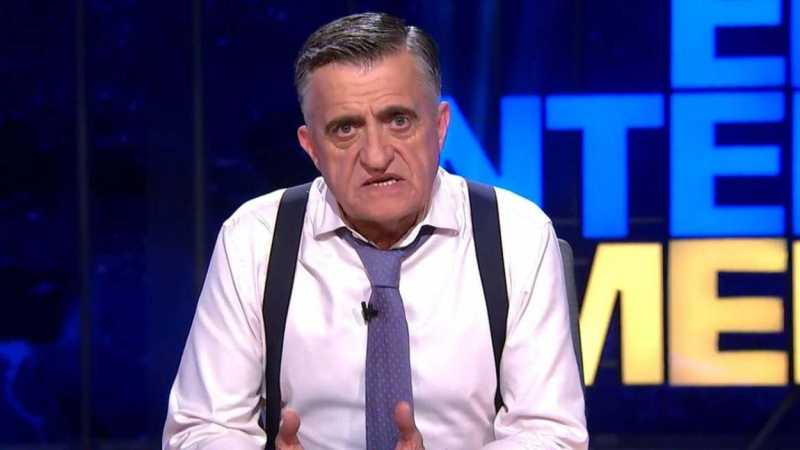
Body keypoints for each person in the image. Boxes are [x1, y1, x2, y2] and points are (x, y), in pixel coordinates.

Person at [163, 12, 588, 450]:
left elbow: (550, 433)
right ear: (311, 147)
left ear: (440, 126)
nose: (377, 155)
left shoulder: (516, 237)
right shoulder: (254, 240)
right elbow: (202, 428)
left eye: (398, 120)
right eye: (345, 128)